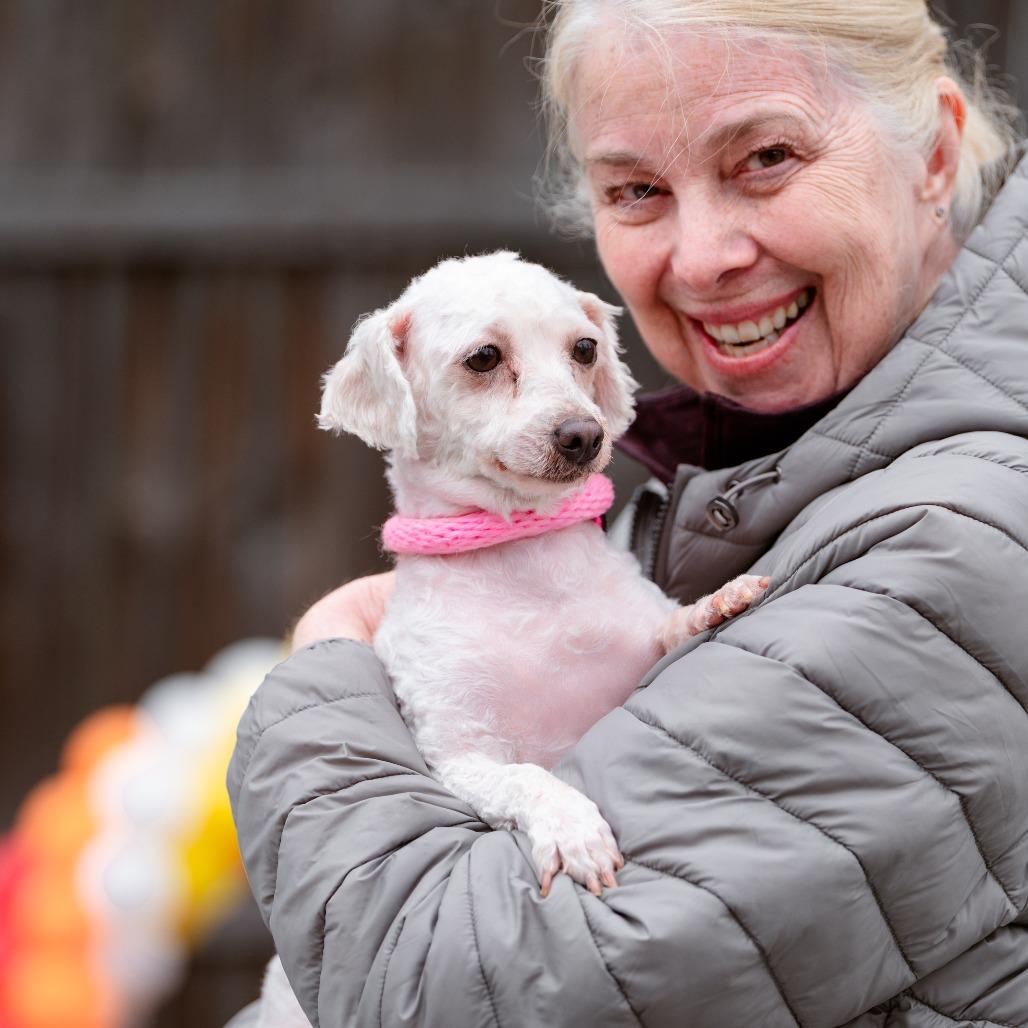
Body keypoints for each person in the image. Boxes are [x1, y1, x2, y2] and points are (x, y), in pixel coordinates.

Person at [226, 2, 1028, 1025]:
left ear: (934, 151)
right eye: (636, 189)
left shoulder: (961, 538)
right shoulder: (718, 477)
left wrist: (326, 664)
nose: (697, 259)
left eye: (766, 157)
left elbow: (445, 990)